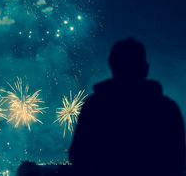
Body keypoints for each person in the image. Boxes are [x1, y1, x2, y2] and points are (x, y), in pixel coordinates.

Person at [69, 38, 185, 176]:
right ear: (145, 68)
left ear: (111, 65)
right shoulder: (167, 108)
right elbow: (178, 160)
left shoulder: (94, 106)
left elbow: (78, 155)